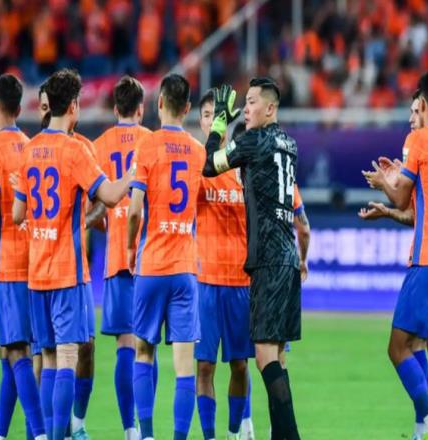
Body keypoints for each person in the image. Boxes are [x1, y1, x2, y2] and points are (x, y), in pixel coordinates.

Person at [12, 68, 132, 440]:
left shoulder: (29, 148)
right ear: (75, 106)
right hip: (67, 271)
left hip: (37, 273)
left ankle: (46, 434)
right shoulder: (75, 150)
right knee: (66, 357)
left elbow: (17, 214)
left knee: (47, 358)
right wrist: (134, 173)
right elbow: (109, 196)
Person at [202, 78, 305, 439]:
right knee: (276, 357)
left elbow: (210, 165)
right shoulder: (289, 143)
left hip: (268, 260)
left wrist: (219, 125)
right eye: (244, 103)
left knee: (263, 357)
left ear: (270, 108)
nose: (245, 109)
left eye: (251, 102)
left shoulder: (253, 140)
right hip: (288, 255)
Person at [363, 70, 428, 440]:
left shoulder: (418, 138)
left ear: (421, 103)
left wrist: (383, 183)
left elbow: (403, 197)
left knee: (398, 348)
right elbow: (423, 209)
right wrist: (391, 207)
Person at [127, 73, 205, 440]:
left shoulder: (146, 145)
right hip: (185, 267)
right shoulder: (198, 151)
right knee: (185, 368)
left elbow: (134, 210)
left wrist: (131, 247)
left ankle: (146, 435)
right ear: (188, 108)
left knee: (143, 352)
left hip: (152, 264)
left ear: (159, 103)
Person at [0, 74, 46, 440]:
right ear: (20, 109)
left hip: (6, 261)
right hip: (33, 258)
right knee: (12, 350)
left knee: (17, 351)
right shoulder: (31, 146)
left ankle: (39, 433)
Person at [38, 81, 98, 440]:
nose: (44, 111)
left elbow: (98, 201)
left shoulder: (83, 149)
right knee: (58, 355)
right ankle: (51, 431)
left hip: (73, 268)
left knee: (78, 349)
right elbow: (109, 194)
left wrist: (84, 222)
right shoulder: (51, 149)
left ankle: (73, 424)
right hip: (60, 271)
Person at [93, 75, 152, 440]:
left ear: (115, 109)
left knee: (124, 346)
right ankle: (147, 429)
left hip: (117, 256)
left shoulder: (98, 146)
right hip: (152, 256)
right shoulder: (152, 141)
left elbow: (94, 203)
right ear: (141, 109)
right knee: (147, 347)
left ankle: (129, 428)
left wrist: (104, 223)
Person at [195, 92, 255, 440]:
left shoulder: (242, 163)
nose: (210, 120)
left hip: (240, 282)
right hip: (205, 281)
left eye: (215, 115)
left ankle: (234, 432)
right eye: (206, 115)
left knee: (240, 365)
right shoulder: (196, 166)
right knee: (204, 366)